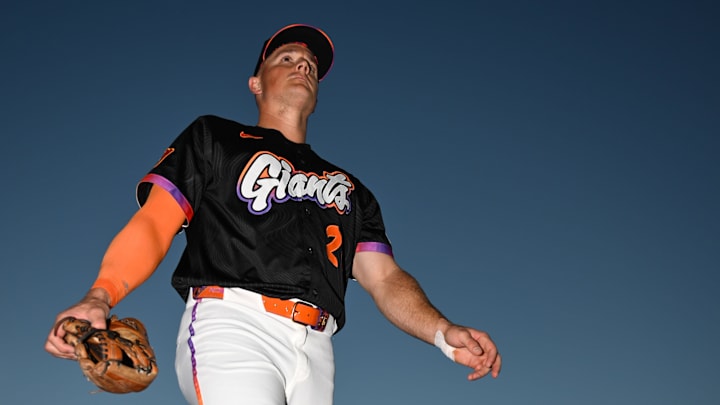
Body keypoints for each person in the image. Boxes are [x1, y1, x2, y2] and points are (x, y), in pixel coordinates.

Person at [45, 24, 502, 405]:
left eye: (311, 66)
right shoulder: (214, 137)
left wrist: (443, 331)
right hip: (233, 325)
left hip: (318, 349)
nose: (303, 65)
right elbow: (155, 223)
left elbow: (384, 279)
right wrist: (100, 296)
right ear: (256, 82)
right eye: (287, 58)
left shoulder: (351, 189)